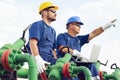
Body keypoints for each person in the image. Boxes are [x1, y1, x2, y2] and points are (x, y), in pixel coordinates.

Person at [26, 1, 59, 74]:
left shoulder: (53, 31)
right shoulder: (37, 25)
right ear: (45, 12)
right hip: (41, 59)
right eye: (53, 11)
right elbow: (33, 42)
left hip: (51, 60)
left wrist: (57, 62)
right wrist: (37, 58)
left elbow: (53, 50)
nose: (56, 14)